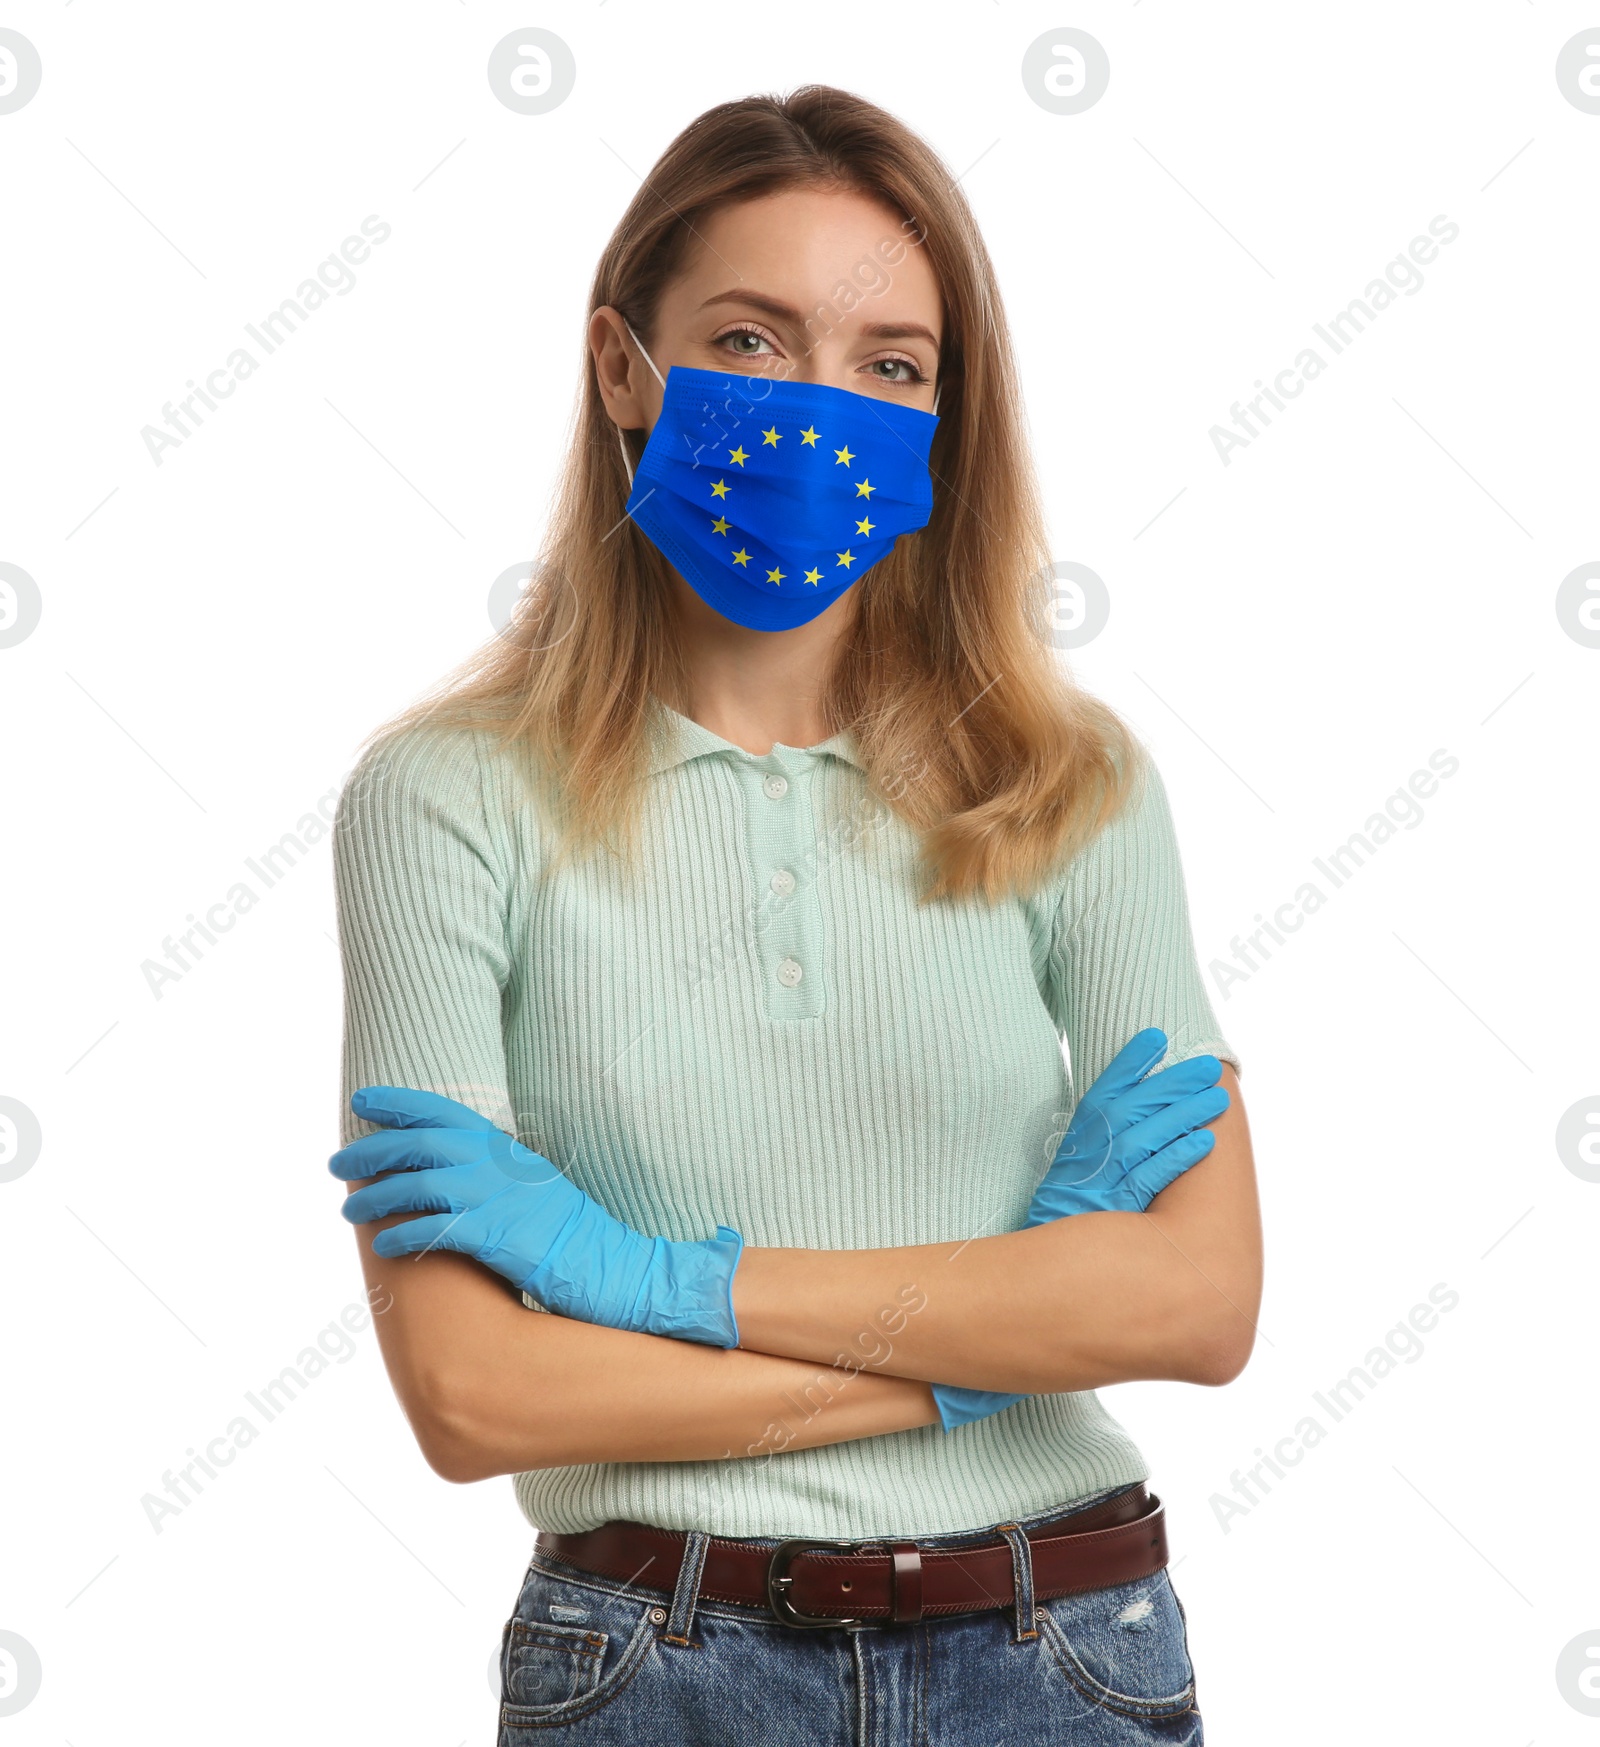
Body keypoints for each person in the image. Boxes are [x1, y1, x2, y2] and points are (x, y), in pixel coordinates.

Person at [329, 84, 1261, 1746]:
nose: (819, 411)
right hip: (653, 1655)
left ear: (944, 418)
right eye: (752, 342)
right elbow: (477, 1397)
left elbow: (1192, 1305)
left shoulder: (1068, 784)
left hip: (1063, 1651)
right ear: (625, 366)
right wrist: (989, 1339)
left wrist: (645, 1279)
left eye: (891, 366)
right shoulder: (441, 802)